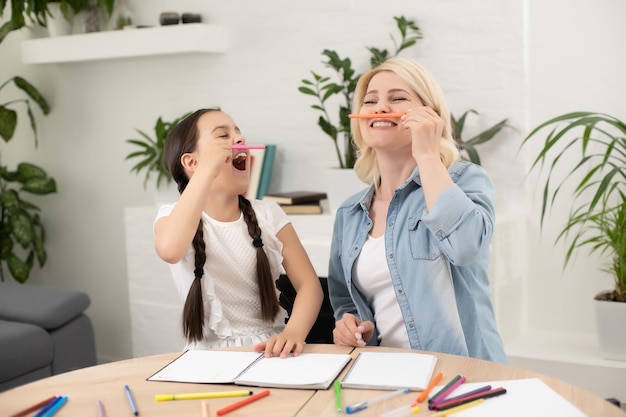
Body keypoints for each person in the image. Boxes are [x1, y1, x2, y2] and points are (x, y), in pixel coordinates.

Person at [328, 57, 508, 363]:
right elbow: (344, 299)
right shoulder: (350, 212)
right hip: (384, 374)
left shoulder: (465, 180)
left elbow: (466, 248)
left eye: (397, 98)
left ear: (430, 115)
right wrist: (347, 326)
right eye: (370, 100)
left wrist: (426, 154)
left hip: (461, 374)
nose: (380, 108)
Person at [154, 107, 323, 358]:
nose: (240, 139)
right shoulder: (170, 216)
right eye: (222, 136)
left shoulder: (269, 213)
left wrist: (293, 333)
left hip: (268, 351)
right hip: (204, 358)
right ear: (191, 162)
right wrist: (205, 171)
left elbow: (309, 285)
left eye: (238, 133)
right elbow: (170, 250)